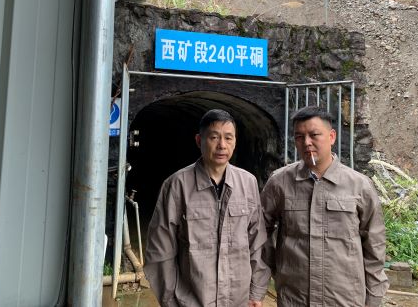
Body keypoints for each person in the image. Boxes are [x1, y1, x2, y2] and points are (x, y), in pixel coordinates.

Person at [261, 106, 389, 307]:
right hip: (294, 298)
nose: (307, 142)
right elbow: (260, 234)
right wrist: (270, 276)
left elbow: (375, 246)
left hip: (344, 299)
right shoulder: (280, 182)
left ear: (331, 137)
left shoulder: (359, 186)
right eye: (299, 137)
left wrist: (373, 299)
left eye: (314, 135)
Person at [144, 109, 269, 307]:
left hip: (239, 300)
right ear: (198, 140)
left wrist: (256, 293)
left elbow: (257, 243)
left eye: (228, 138)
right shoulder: (177, 185)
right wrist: (170, 301)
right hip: (191, 301)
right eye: (214, 137)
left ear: (235, 142)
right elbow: (161, 250)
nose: (222, 145)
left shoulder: (248, 183)